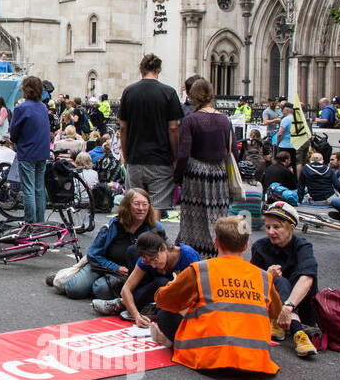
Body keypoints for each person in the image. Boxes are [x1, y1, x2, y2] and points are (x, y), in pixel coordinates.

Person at [151, 214, 284, 375]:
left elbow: (163, 300)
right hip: (256, 361)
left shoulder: (200, 269)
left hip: (209, 358)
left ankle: (174, 342)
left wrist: (171, 285)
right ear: (245, 246)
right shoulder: (264, 276)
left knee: (165, 314)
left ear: (216, 243)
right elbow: (275, 312)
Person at [61, 188, 163, 302]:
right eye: (137, 204)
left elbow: (163, 253)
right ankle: (71, 278)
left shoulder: (155, 227)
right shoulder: (113, 225)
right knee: (74, 290)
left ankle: (95, 286)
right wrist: (115, 268)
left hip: (128, 273)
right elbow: (93, 254)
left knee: (100, 289)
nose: (141, 208)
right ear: (127, 206)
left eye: (145, 204)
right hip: (102, 265)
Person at [249, 201, 321, 357]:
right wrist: (267, 277)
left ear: (291, 228)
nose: (270, 232)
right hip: (271, 307)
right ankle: (298, 333)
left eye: (277, 227)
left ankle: (288, 324)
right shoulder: (260, 247)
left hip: (301, 306)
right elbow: (252, 283)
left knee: (294, 277)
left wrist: (288, 307)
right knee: (278, 280)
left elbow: (307, 279)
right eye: (268, 227)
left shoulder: (303, 246)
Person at [116, 54, 183, 216]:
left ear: (141, 69)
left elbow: (123, 127)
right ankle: (152, 240)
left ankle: (135, 239)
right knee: (156, 207)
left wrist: (125, 152)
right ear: (158, 70)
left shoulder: (129, 92)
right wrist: (175, 157)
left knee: (135, 205)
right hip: (160, 159)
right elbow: (173, 128)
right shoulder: (169, 93)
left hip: (135, 157)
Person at [174, 77, 232, 258]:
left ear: (193, 96)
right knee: (217, 215)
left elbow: (183, 153)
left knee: (194, 217)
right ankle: (218, 252)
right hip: (219, 173)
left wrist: (178, 177)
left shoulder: (191, 120)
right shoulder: (225, 119)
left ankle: (194, 255)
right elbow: (233, 151)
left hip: (196, 173)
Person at [108, 229, 202, 325]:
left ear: (164, 248)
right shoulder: (147, 260)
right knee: (132, 252)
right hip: (157, 294)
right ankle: (128, 304)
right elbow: (126, 289)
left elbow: (199, 290)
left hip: (181, 298)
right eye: (148, 262)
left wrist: (177, 286)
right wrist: (136, 316)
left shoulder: (188, 255)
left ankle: (125, 304)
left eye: (155, 260)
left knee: (164, 285)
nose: (152, 265)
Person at [9, 75, 51, 223]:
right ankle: (40, 222)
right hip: (42, 152)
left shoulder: (21, 108)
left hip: (28, 152)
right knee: (39, 189)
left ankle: (31, 223)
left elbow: (13, 133)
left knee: (28, 190)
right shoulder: (43, 107)